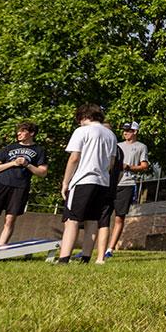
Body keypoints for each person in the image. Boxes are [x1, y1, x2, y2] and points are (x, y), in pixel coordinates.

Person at [0, 122, 48, 249]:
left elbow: (43, 172)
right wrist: (12, 163)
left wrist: (27, 164)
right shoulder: (9, 148)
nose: (19, 133)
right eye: (18, 131)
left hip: (20, 187)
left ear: (31, 133)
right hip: (0, 185)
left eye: (22, 131)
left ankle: (1, 251)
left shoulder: (39, 150)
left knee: (10, 220)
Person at [57, 104, 118, 264]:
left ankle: (64, 258)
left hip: (83, 180)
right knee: (93, 220)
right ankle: (86, 257)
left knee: (72, 220)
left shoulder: (82, 131)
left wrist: (66, 182)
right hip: (102, 182)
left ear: (84, 117)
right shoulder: (111, 135)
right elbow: (111, 162)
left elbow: (74, 158)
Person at [108, 121, 149, 254]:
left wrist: (129, 167)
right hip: (111, 182)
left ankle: (110, 249)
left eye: (128, 130)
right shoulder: (117, 145)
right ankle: (96, 246)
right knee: (103, 216)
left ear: (135, 132)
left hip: (127, 184)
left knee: (120, 217)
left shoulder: (141, 147)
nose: (125, 133)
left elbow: (144, 166)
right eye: (124, 130)